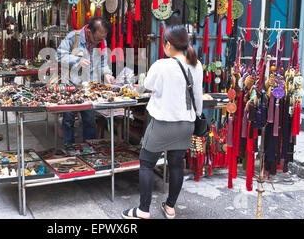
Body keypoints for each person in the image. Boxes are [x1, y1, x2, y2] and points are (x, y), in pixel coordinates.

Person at [122, 25, 203, 219]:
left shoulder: (161, 65)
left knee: (146, 164)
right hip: (186, 124)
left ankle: (143, 209)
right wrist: (197, 115)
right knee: (176, 164)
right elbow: (198, 96)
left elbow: (147, 85)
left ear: (168, 44)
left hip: (162, 124)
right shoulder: (196, 64)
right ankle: (170, 207)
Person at [57, 17, 115, 145]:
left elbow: (103, 62)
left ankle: (90, 150)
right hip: (71, 85)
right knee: (68, 118)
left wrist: (106, 74)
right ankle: (69, 147)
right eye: (97, 39)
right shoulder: (73, 37)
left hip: (89, 86)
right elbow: (59, 55)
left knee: (89, 119)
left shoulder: (102, 42)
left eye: (102, 38)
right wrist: (77, 60)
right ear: (89, 31)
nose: (99, 41)